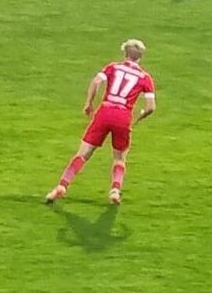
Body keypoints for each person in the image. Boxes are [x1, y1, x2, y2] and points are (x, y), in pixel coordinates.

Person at [45, 40, 156, 205]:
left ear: (125, 54)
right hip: (123, 116)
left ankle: (62, 185)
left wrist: (88, 103)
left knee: (83, 153)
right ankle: (115, 190)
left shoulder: (113, 67)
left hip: (104, 111)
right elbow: (150, 107)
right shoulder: (145, 78)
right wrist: (138, 118)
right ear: (140, 57)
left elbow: (96, 82)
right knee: (119, 157)